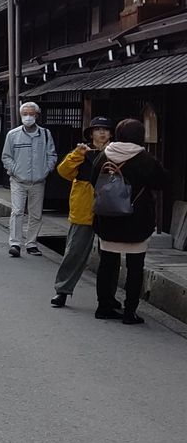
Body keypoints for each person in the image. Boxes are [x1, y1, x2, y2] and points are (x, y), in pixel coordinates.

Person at [90, 119, 172, 324]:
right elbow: (162, 182)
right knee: (135, 268)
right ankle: (129, 312)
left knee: (107, 264)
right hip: (137, 220)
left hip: (108, 218)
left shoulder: (104, 155)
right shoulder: (145, 158)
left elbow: (93, 179)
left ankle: (103, 307)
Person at [50, 117, 112, 308]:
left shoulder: (115, 152)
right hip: (84, 207)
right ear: (91, 133)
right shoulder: (83, 151)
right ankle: (62, 290)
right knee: (75, 251)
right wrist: (78, 154)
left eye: (105, 129)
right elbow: (63, 171)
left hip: (110, 207)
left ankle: (108, 297)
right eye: (98, 129)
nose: (102, 133)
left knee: (110, 256)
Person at [2, 101, 58, 257]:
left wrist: (46, 170)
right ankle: (15, 243)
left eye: (31, 114)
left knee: (36, 214)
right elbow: (6, 156)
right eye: (25, 114)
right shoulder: (13, 134)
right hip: (18, 180)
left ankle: (32, 244)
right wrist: (14, 170)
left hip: (39, 181)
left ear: (37, 115)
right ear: (20, 116)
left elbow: (52, 154)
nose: (28, 117)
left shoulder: (45, 134)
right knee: (17, 211)